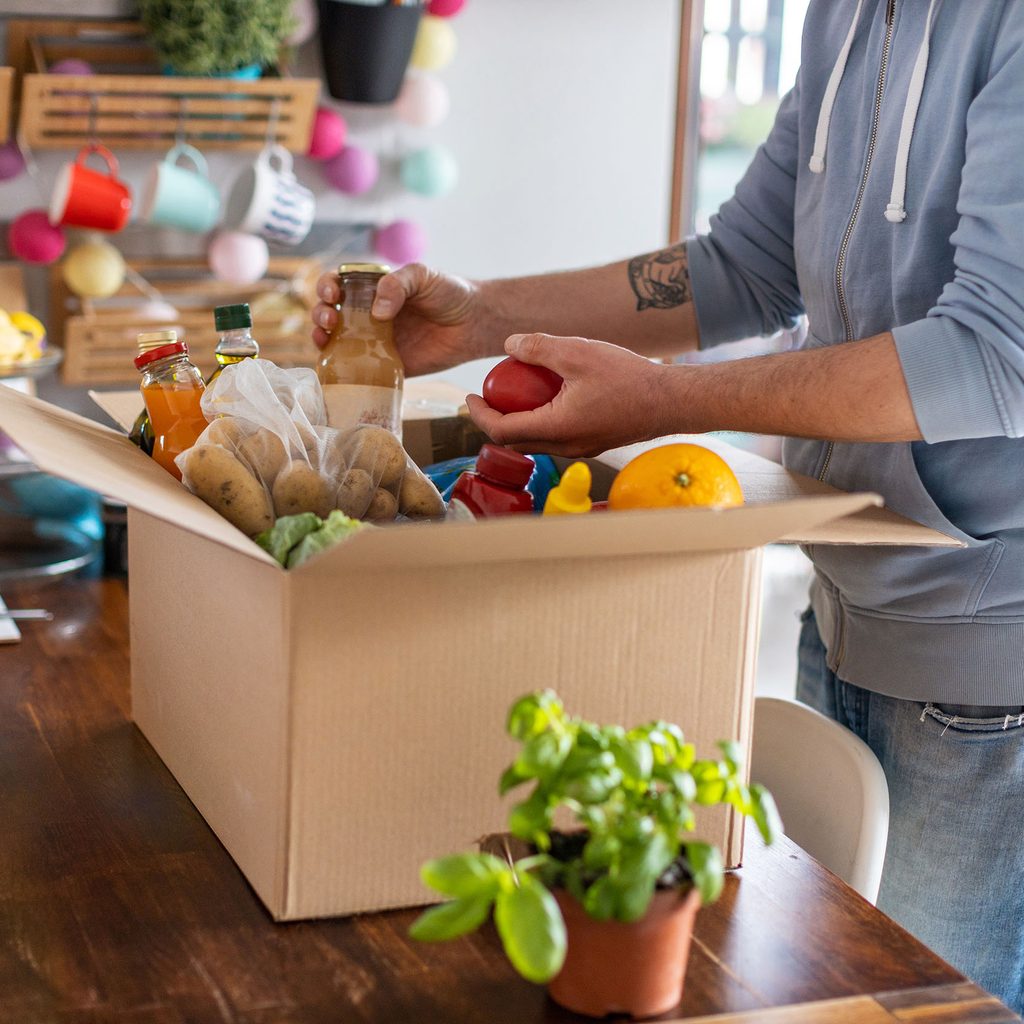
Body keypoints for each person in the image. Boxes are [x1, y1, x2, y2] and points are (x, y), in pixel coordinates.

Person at [313, 1, 1024, 1011]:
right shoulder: (852, 15)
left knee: (923, 1010)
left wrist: (668, 404)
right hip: (849, 598)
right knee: (836, 996)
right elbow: (743, 266)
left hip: (991, 658)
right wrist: (483, 318)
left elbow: (997, 351)